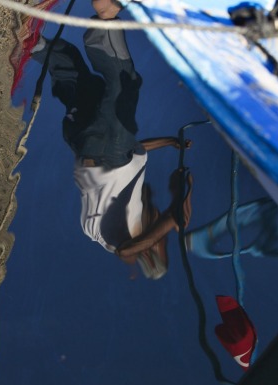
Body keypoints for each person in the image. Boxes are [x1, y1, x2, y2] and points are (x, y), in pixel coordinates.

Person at [31, 0, 192, 279]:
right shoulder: (121, 213)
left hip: (108, 152)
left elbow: (127, 251)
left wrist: (173, 217)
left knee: (124, 83)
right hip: (86, 143)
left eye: (161, 247)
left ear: (149, 253)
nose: (161, 241)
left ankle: (106, 14)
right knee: (74, 73)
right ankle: (29, 43)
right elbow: (136, 149)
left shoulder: (124, 242)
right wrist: (168, 141)